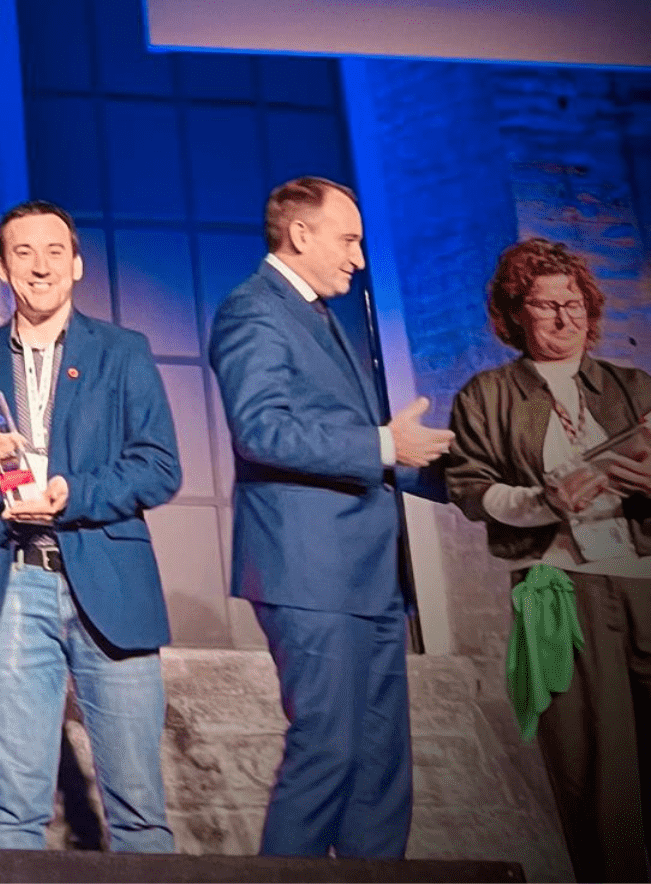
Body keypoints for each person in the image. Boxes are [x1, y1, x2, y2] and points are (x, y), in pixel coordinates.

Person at [207, 176, 453, 859]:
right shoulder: (253, 310)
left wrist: (486, 482)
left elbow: (366, 443)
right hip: (310, 573)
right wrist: (384, 445)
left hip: (369, 577)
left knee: (379, 770)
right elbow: (262, 431)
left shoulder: (318, 315)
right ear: (301, 234)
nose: (358, 258)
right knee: (328, 753)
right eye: (349, 240)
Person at [0, 200, 180, 852]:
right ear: (3, 268)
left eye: (54, 252)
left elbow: (159, 468)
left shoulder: (123, 352)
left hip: (110, 583)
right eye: (24, 253)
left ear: (77, 264)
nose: (40, 267)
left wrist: (73, 494)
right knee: (14, 810)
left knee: (139, 810)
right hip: (11, 583)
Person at [447, 237, 651, 882]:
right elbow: (472, 491)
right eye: (545, 306)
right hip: (562, 589)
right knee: (599, 772)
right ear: (516, 314)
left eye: (575, 305)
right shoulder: (487, 395)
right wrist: (545, 500)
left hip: (644, 584)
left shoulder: (634, 386)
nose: (565, 319)